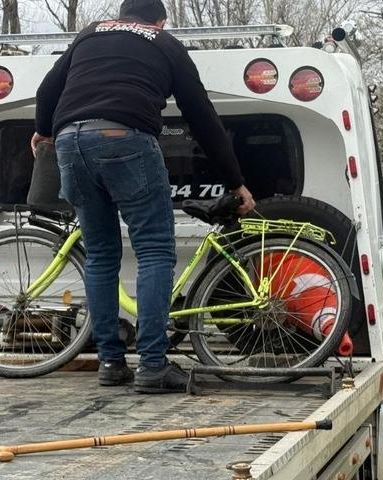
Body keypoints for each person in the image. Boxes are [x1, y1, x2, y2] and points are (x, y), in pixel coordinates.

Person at [33, 0, 255, 393]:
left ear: (121, 14)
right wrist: (235, 181)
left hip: (69, 142)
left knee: (100, 254)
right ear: (160, 20)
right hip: (124, 137)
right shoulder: (164, 42)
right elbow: (201, 116)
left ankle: (110, 362)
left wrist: (43, 129)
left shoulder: (89, 33)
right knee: (154, 250)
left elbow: (48, 89)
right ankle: (152, 365)